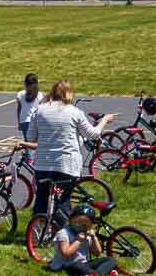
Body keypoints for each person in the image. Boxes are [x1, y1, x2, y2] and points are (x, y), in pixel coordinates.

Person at [19, 80, 113, 223]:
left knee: (41, 199)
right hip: (67, 164)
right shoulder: (75, 112)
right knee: (63, 200)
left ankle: (37, 231)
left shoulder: (40, 110)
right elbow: (92, 134)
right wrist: (105, 120)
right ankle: (62, 234)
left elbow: (31, 137)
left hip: (43, 164)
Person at [47, 207, 118, 276]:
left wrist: (94, 237)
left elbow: (97, 253)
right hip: (68, 265)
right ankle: (101, 272)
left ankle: (95, 274)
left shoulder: (86, 233)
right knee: (78, 266)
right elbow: (66, 254)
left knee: (111, 260)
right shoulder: (63, 233)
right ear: (71, 220)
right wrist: (78, 241)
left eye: (85, 225)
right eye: (78, 223)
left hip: (85, 263)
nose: (81, 226)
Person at [14, 73, 45, 141]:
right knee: (35, 143)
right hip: (35, 121)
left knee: (27, 142)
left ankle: (27, 151)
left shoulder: (20, 94)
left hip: (24, 121)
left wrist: (19, 122)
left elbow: (19, 109)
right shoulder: (39, 95)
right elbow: (41, 111)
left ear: (25, 83)